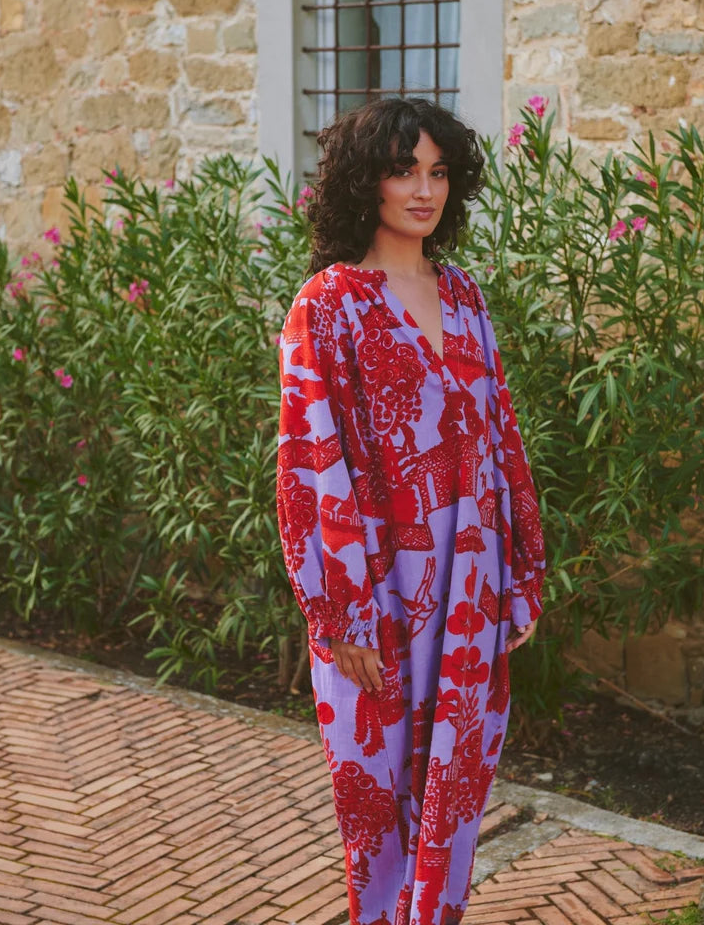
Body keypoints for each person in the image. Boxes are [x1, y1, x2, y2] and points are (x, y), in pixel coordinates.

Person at [275, 97, 546, 925]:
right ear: (367, 183)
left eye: (438, 171)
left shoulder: (463, 295)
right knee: (376, 796)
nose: (424, 190)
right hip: (376, 592)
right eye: (403, 171)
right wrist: (341, 613)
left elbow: (501, 437)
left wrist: (520, 572)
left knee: (456, 787)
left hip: (468, 587)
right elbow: (309, 466)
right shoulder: (326, 305)